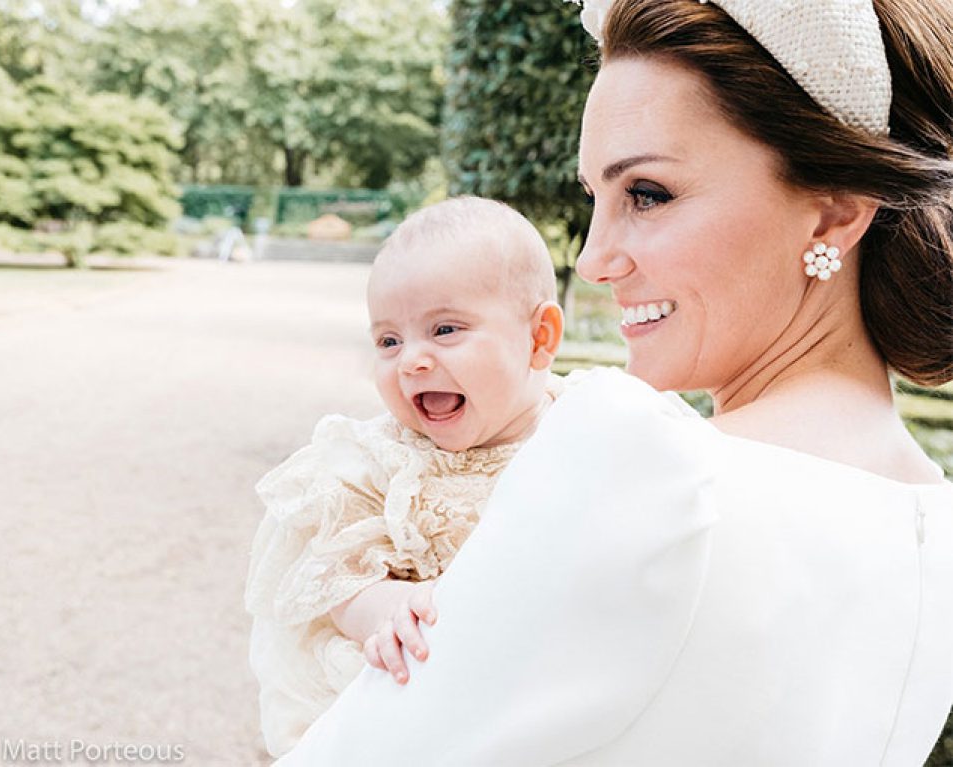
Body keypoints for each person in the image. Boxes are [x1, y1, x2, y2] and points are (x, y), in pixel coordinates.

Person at [274, 0, 953, 765]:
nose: (594, 259)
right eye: (594, 199)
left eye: (648, 194)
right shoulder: (933, 523)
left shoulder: (638, 463)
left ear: (832, 215)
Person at [244, 196, 565, 757]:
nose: (411, 360)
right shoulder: (375, 462)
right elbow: (329, 577)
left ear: (539, 339)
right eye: (388, 341)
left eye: (444, 330)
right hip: (415, 691)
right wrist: (385, 606)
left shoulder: (582, 429)